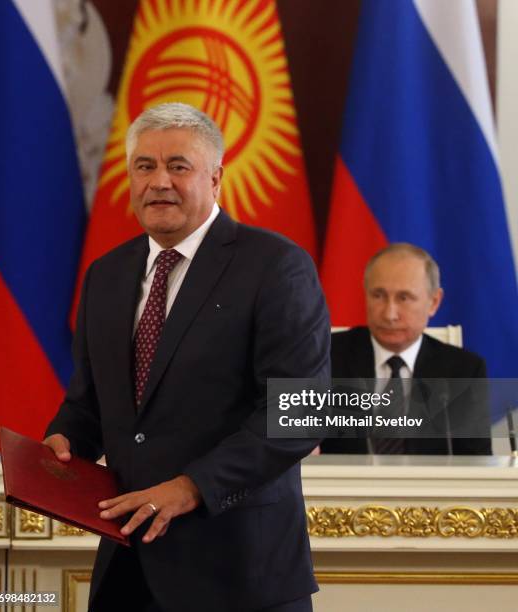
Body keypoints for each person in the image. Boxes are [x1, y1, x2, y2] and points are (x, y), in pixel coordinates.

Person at [43, 102, 330, 612]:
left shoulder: (276, 266)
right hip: (128, 570)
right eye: (144, 166)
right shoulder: (106, 275)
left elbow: (297, 414)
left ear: (215, 178)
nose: (159, 182)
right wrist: (65, 439)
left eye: (178, 166)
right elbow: (89, 402)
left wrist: (190, 487)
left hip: (240, 573)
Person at [321, 243, 492, 455]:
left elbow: (476, 463)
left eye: (404, 298)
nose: (389, 314)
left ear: (434, 302)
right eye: (378, 295)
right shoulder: (325, 357)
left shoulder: (464, 371)